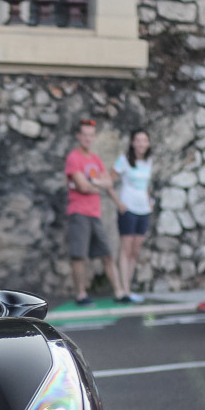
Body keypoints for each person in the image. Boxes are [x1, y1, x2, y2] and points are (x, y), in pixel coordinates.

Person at [64, 118, 129, 305]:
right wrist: (96, 184)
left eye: (91, 135)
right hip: (78, 212)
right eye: (84, 135)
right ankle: (81, 294)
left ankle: (119, 292)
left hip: (95, 213)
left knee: (107, 254)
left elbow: (109, 182)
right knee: (79, 255)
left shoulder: (95, 159)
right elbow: (82, 186)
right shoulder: (73, 158)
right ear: (78, 136)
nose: (87, 138)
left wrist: (94, 184)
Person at [112, 129, 153, 304]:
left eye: (144, 140)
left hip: (144, 210)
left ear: (148, 143)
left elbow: (145, 186)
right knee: (125, 249)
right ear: (132, 142)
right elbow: (108, 181)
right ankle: (125, 290)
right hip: (128, 209)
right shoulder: (123, 161)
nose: (141, 144)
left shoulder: (148, 161)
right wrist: (118, 202)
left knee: (135, 251)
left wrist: (150, 200)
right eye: (138, 140)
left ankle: (129, 287)